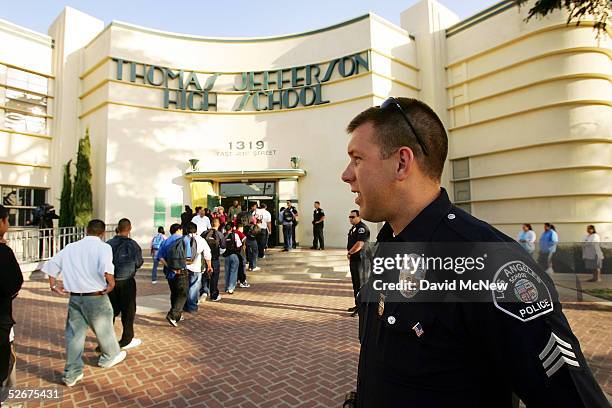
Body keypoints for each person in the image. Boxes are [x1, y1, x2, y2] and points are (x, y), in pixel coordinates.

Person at [341, 97, 608, 407]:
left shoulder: (491, 263)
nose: (346, 174)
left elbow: (574, 399)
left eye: (357, 158)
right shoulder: (389, 244)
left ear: (402, 162)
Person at [42, 219, 127, 387]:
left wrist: (53, 285)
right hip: (95, 296)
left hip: (75, 297)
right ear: (102, 233)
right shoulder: (104, 247)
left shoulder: (71, 247)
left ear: (86, 230)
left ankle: (72, 373)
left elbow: (52, 265)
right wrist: (111, 283)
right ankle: (109, 356)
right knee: (104, 328)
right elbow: (106, 268)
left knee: (74, 335)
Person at [106, 218, 144, 350]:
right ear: (129, 229)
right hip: (127, 281)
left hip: (110, 282)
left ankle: (106, 340)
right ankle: (127, 338)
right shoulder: (133, 245)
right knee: (128, 311)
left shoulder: (108, 244)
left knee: (110, 311)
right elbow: (139, 262)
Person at [0, 205, 23, 401]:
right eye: (7, 219)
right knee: (6, 362)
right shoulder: (4, 253)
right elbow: (14, 285)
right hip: (1, 322)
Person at [156, 223, 192, 327]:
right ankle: (172, 315)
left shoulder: (165, 241)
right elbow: (188, 259)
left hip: (169, 272)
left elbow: (160, 257)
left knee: (174, 292)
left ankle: (178, 315)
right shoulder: (184, 240)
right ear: (179, 230)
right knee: (183, 293)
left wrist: (170, 267)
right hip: (181, 271)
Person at [346, 209, 369, 317]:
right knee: (355, 284)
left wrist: (350, 252)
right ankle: (357, 305)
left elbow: (360, 243)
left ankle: (362, 309)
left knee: (360, 285)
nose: (350, 219)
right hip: (354, 260)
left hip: (360, 260)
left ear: (359, 217)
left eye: (353, 217)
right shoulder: (354, 228)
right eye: (349, 217)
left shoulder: (362, 228)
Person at [185, 222, 212, 312]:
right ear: (196, 230)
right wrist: (209, 266)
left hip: (184, 267)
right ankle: (192, 307)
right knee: (194, 287)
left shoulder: (183, 239)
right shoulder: (201, 240)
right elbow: (207, 254)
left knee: (185, 286)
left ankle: (184, 305)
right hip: (196, 267)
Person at [202, 218, 226, 302]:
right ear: (218, 224)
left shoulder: (204, 233)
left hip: (205, 259)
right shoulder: (220, 234)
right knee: (214, 277)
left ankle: (204, 291)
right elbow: (223, 248)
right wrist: (217, 253)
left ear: (210, 224)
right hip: (215, 259)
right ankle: (214, 294)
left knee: (204, 275)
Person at [223, 223, 241, 294]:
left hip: (226, 256)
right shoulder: (235, 235)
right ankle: (231, 287)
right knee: (233, 271)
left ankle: (227, 287)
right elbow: (239, 244)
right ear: (231, 228)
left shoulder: (223, 235)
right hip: (234, 254)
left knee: (227, 271)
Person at [234, 223, 251, 288]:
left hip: (234, 251)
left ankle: (236, 280)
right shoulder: (239, 232)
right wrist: (244, 245)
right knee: (242, 264)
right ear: (240, 228)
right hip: (240, 250)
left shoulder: (233, 232)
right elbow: (244, 238)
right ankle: (243, 281)